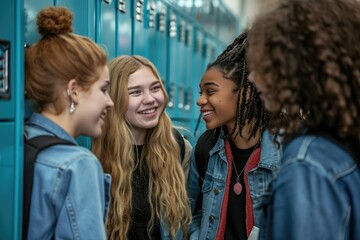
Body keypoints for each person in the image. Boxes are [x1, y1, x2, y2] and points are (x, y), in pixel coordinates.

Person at [246, 0, 360, 239]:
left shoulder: (307, 164)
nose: (254, 78)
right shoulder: (339, 144)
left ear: (298, 67)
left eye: (267, 66)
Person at [24, 6, 114, 239]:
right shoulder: (77, 165)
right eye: (103, 89)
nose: (110, 102)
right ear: (73, 91)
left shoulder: (19, 142)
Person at [187, 32, 281, 240]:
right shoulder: (205, 148)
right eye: (200, 92)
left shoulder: (283, 152)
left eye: (210, 92)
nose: (200, 101)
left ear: (245, 94)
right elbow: (193, 212)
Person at [92, 55, 192, 240]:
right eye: (136, 92)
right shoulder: (96, 155)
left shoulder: (179, 148)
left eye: (155, 88)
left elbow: (188, 224)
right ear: (115, 99)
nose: (150, 99)